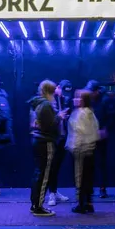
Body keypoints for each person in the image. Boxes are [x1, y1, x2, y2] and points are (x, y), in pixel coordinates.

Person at [66, 89, 100, 214]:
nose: (75, 100)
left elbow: (78, 133)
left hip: (80, 149)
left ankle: (80, 203)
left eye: (78, 98)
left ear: (84, 100)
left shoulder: (80, 113)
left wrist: (74, 146)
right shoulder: (91, 112)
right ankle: (88, 202)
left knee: (79, 176)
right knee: (88, 176)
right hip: (90, 149)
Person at [28, 79, 59, 217]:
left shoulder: (37, 104)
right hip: (45, 141)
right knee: (44, 174)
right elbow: (49, 126)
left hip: (37, 140)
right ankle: (38, 207)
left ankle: (34, 204)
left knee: (38, 173)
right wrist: (59, 118)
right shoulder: (46, 105)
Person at [84, 80, 115, 198]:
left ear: (97, 91)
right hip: (89, 135)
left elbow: (112, 116)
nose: (90, 93)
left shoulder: (106, 100)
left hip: (100, 135)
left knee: (101, 162)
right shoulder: (89, 99)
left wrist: (106, 129)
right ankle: (90, 188)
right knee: (89, 162)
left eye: (91, 92)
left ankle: (102, 188)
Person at [45, 79, 73, 208]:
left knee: (56, 167)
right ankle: (51, 193)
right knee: (51, 166)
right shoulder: (49, 101)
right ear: (57, 87)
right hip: (52, 138)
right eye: (62, 90)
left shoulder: (65, 99)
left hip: (62, 137)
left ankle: (54, 191)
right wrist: (59, 117)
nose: (64, 94)